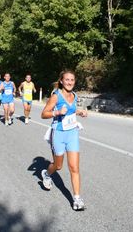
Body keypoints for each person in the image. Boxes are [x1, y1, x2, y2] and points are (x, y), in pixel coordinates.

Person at [40, 70, 88, 210]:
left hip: (72, 133)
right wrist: (57, 112)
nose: (69, 82)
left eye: (72, 80)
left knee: (74, 167)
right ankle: (47, 173)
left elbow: (72, 111)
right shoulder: (56, 96)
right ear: (61, 81)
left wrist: (80, 112)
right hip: (59, 134)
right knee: (58, 166)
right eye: (67, 80)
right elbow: (43, 114)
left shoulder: (74, 95)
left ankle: (77, 199)